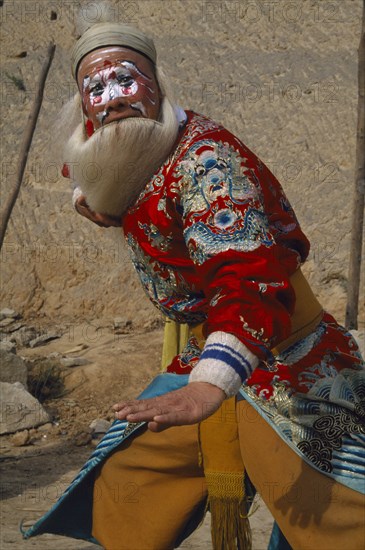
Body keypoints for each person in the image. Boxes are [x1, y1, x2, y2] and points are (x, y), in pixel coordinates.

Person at [23, 22, 365, 550]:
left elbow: (244, 273)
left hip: (286, 355)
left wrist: (209, 385)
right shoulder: (132, 149)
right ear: (83, 106)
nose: (113, 99)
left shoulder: (209, 163)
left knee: (326, 516)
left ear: (157, 86)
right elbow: (98, 170)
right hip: (209, 344)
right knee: (127, 475)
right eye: (96, 89)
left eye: (126, 80)